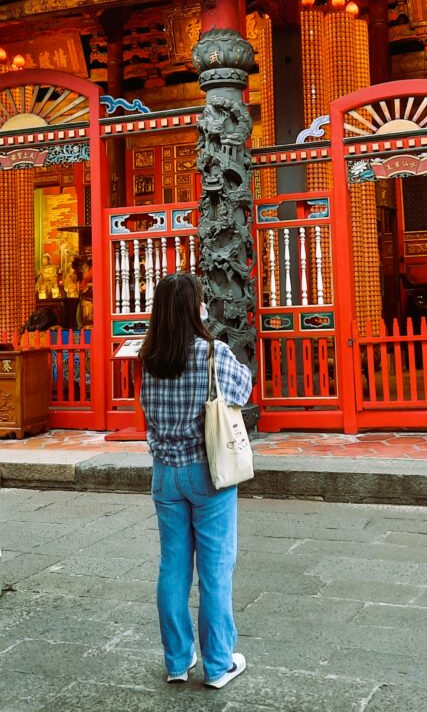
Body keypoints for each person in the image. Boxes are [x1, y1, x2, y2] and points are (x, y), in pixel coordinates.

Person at [139, 273, 252, 688]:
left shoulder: (149, 358)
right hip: (208, 473)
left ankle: (176, 658)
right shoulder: (212, 353)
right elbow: (243, 390)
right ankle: (219, 663)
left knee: (172, 566)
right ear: (195, 308)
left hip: (165, 474)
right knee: (216, 569)